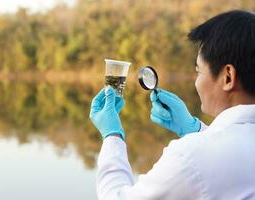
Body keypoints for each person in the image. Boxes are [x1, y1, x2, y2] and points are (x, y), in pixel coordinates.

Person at [89, 10, 255, 200]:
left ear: (227, 77)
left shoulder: (189, 158)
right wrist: (192, 128)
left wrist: (112, 136)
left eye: (198, 72)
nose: (196, 82)